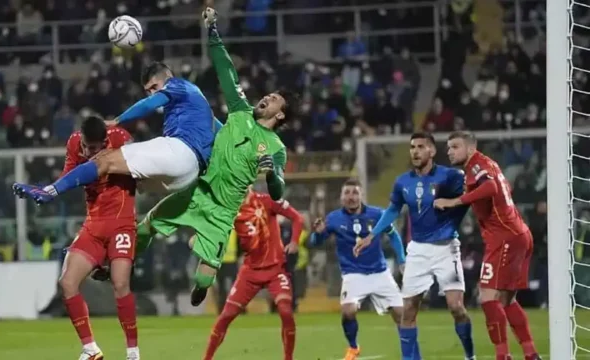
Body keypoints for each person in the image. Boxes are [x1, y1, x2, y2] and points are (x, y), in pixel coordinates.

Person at [132, 7, 297, 307]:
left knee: (204, 277)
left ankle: (202, 286)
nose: (266, 97)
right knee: (147, 225)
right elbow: (226, 70)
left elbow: (279, 191)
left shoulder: (276, 148)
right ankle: (127, 262)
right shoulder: (239, 109)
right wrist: (213, 32)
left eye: (273, 100)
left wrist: (272, 174)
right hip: (198, 188)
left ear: (280, 114)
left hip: (224, 209)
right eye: (268, 95)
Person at [12, 61, 219, 204]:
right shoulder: (200, 104)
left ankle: (49, 191)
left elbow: (151, 103)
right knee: (119, 174)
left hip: (180, 152)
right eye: (148, 89)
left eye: (154, 86)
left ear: (167, 77)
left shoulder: (178, 85)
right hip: (188, 175)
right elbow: (222, 130)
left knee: (105, 160)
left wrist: (117, 120)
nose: (153, 92)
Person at [355, 132, 475, 360]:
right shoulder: (403, 181)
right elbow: (392, 210)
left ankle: (470, 356)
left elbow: (470, 197)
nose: (415, 151)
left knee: (456, 307)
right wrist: (372, 235)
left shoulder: (450, 176)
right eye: (412, 147)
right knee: (408, 311)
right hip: (418, 250)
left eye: (421, 146)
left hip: (446, 247)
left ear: (432, 151)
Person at [434, 131, 541, 360]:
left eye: (455, 146)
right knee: (507, 299)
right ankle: (530, 353)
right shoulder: (488, 163)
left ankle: (502, 355)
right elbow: (502, 190)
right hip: (518, 233)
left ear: (470, 148)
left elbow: (491, 187)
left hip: (504, 237)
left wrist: (454, 201)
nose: (449, 151)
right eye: (448, 147)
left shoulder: (475, 165)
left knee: (487, 298)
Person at [56, 117, 140, 360]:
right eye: (86, 146)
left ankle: (133, 353)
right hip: (93, 225)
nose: (89, 152)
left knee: (120, 283)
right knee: (67, 282)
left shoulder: (121, 139)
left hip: (122, 223)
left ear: (105, 142)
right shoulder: (73, 143)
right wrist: (51, 189)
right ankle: (91, 349)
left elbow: (142, 169)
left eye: (95, 148)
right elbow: (68, 177)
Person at [203, 188, 303, 360]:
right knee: (226, 316)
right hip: (250, 273)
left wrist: (294, 242)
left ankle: (288, 358)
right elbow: (214, 231)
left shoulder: (269, 200)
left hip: (275, 270)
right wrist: (201, 239)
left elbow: (297, 218)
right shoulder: (230, 210)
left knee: (286, 311)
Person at [311, 178, 405, 360]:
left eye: (355, 192)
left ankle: (409, 351)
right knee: (348, 311)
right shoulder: (334, 218)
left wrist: (402, 259)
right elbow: (316, 243)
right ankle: (353, 347)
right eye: (347, 193)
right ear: (341, 197)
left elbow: (393, 235)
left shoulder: (377, 214)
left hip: (379, 272)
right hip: (353, 274)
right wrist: (318, 233)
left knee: (401, 315)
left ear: (362, 195)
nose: (351, 197)